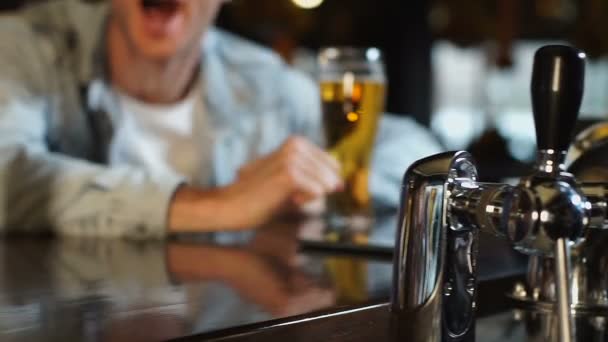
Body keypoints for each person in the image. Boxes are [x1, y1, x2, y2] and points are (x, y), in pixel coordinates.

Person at [0, 0, 441, 239]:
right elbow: (7, 173)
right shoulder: (24, 44)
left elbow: (419, 150)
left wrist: (326, 186)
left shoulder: (259, 77)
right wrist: (220, 205)